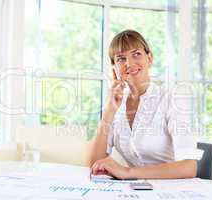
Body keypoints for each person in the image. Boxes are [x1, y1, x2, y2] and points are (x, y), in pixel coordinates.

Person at [87, 29, 203, 179]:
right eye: (121, 59)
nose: (129, 63)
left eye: (136, 54)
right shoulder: (117, 104)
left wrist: (127, 172)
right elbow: (94, 163)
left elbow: (189, 168)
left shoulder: (172, 98)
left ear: (149, 58)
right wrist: (109, 111)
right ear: (114, 67)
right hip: (136, 190)